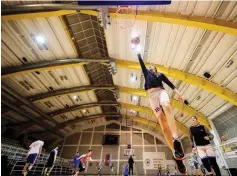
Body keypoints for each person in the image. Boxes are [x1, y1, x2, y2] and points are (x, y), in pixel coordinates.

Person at [136, 52, 187, 173]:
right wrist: (138, 54)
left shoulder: (160, 75)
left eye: (152, 66)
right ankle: (176, 154)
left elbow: (170, 84)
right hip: (152, 97)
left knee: (167, 106)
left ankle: (176, 139)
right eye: (149, 67)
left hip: (161, 92)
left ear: (156, 68)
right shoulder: (146, 73)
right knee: (163, 126)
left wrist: (179, 94)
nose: (150, 67)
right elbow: (142, 64)